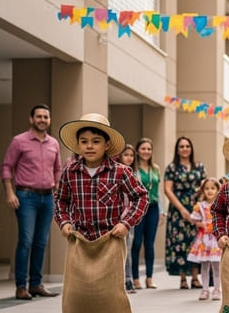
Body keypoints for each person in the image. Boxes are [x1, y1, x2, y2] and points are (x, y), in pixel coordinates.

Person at [54, 113, 149, 246]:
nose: (89, 146)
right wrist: (64, 222)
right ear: (78, 144)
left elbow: (141, 197)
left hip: (112, 240)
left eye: (96, 141)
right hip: (79, 241)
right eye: (84, 141)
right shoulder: (70, 173)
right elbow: (60, 200)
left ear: (107, 144)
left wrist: (126, 224)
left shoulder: (121, 171)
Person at [2, 104, 62, 300]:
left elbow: (57, 171)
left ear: (49, 120)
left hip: (48, 198)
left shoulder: (54, 143)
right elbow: (6, 167)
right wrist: (10, 193)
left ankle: (36, 284)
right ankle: (21, 286)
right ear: (31, 119)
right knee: (26, 241)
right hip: (26, 197)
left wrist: (58, 193)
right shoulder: (19, 141)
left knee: (41, 242)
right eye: (39, 116)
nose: (42, 119)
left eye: (46, 116)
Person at [163, 136, 206, 290]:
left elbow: (205, 186)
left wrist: (198, 205)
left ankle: (195, 277)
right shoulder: (172, 168)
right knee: (179, 243)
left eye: (187, 146)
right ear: (177, 149)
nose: (185, 149)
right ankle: (182, 278)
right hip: (177, 209)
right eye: (181, 146)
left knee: (196, 241)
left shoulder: (199, 166)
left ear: (191, 148)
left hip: (196, 208)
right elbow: (167, 189)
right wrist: (181, 209)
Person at [131, 138, 162, 290]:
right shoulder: (133, 169)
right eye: (143, 149)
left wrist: (162, 211)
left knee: (149, 244)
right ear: (137, 151)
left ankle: (149, 278)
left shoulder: (155, 169)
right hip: (138, 209)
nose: (146, 152)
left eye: (149, 149)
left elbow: (158, 191)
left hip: (153, 208)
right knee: (136, 243)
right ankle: (135, 278)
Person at [188, 177, 223, 301]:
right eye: (207, 188)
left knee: (216, 265)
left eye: (213, 188)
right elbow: (194, 220)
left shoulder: (220, 205)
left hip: (215, 240)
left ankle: (217, 289)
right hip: (204, 240)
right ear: (203, 191)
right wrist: (200, 224)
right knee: (204, 265)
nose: (210, 191)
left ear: (218, 190)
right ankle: (205, 289)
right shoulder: (200, 206)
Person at [116, 144, 138, 294]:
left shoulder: (134, 174)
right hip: (115, 217)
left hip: (129, 218)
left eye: (131, 155)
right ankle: (117, 280)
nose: (129, 158)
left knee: (127, 250)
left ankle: (128, 279)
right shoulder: (115, 172)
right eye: (126, 155)